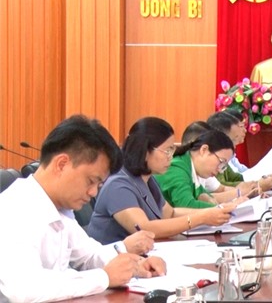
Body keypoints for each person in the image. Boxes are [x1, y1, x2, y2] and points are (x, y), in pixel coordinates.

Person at [0, 115, 166, 302]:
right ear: (62, 164)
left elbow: (89, 256)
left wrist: (134, 264)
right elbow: (24, 288)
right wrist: (104, 277)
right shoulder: (13, 209)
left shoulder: (60, 209)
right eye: (91, 181)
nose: (93, 192)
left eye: (99, 185)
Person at [86, 117, 237, 244]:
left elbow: (170, 213)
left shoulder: (148, 179)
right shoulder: (117, 184)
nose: (171, 157)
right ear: (145, 150)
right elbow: (145, 228)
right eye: (167, 151)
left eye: (172, 150)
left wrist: (211, 212)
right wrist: (201, 218)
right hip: (112, 263)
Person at [154, 129, 248, 208]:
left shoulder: (192, 168)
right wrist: (226, 207)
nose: (220, 170)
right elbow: (187, 205)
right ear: (204, 150)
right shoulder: (177, 169)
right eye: (221, 162)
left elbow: (207, 198)